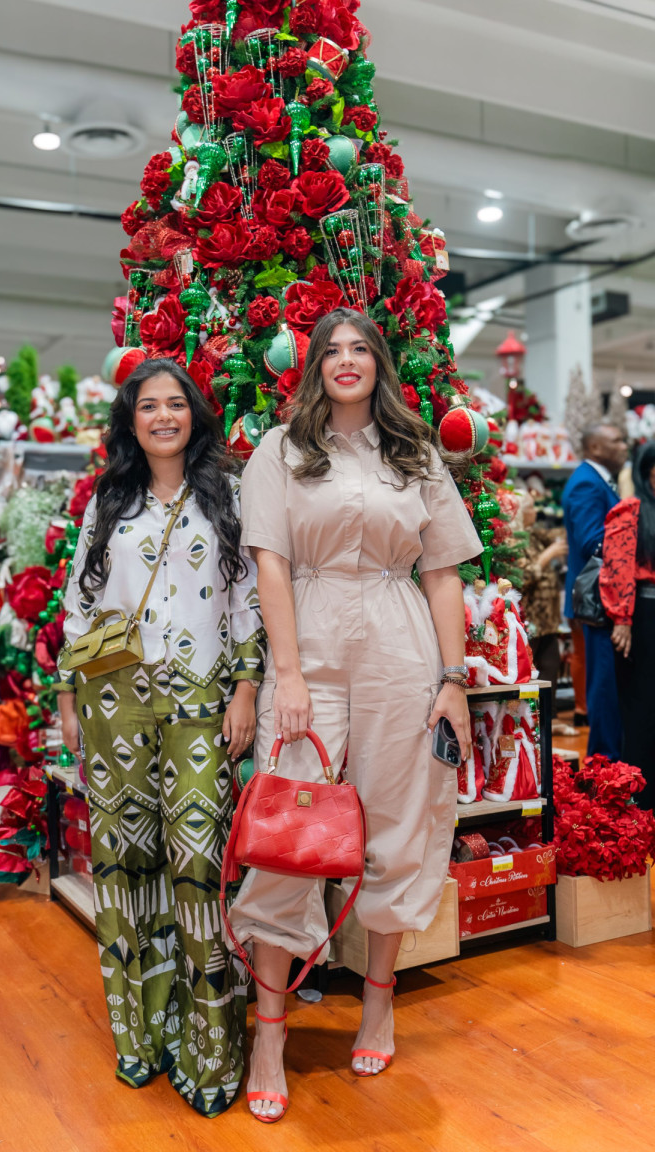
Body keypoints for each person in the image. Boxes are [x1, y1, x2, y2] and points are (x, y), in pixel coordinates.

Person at [226, 308, 483, 1122]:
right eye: (330, 350)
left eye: (359, 349)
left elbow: (443, 575)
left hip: (402, 650)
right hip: (313, 644)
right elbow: (269, 564)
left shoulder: (416, 455)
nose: (345, 361)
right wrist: (289, 674)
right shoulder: (280, 450)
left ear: (380, 363)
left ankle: (378, 997)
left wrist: (452, 680)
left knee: (399, 825)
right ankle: (270, 1034)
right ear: (312, 368)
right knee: (284, 837)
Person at [56, 360, 266, 1117]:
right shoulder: (107, 501)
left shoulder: (227, 497)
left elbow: (248, 601)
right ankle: (143, 1040)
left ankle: (211, 1056)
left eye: (177, 404)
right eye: (150, 406)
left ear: (194, 416)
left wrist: (246, 688)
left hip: (201, 708)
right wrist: (66, 697)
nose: (165, 416)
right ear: (131, 420)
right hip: (115, 703)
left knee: (197, 872)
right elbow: (81, 602)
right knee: (123, 866)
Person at [561, 423, 627, 759]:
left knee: (609, 683)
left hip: (606, 600)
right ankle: (605, 764)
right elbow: (593, 541)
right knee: (604, 685)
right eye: (617, 439)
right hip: (600, 601)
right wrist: (635, 543)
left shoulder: (597, 479)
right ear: (596, 448)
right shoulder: (587, 482)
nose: (625, 445)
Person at [599, 441, 655, 808]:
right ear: (647, 471)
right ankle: (643, 800)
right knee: (642, 709)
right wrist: (622, 618)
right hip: (643, 617)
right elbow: (616, 566)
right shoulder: (630, 511)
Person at [518, 489, 567, 688]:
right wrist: (548, 555)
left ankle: (550, 716)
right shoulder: (515, 540)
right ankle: (536, 717)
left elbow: (557, 535)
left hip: (547, 620)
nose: (534, 512)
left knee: (550, 666)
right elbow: (523, 578)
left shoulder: (533, 534)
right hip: (530, 619)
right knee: (531, 672)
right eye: (530, 508)